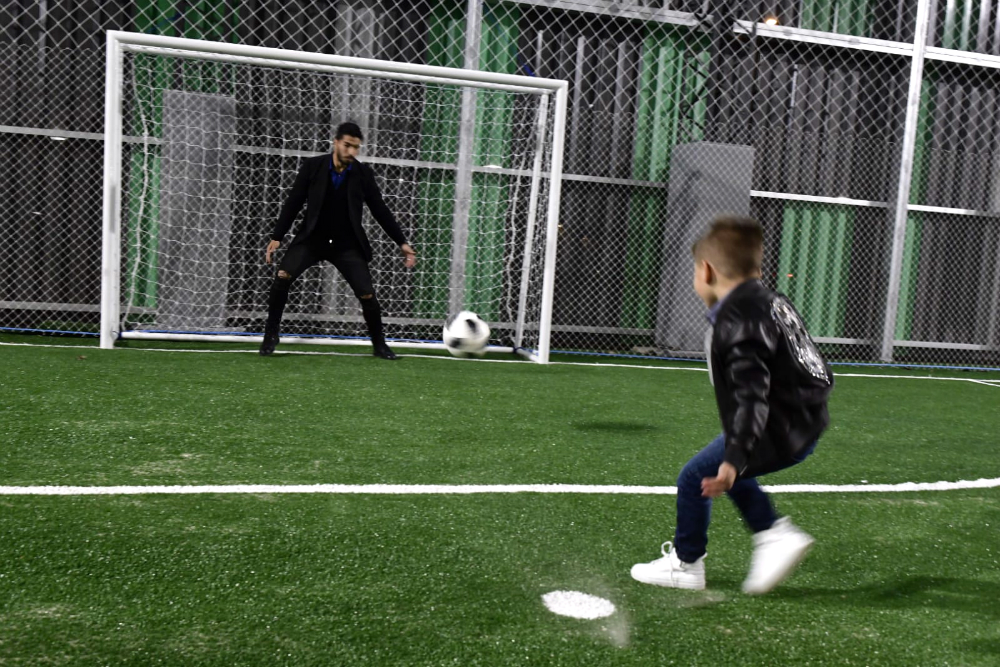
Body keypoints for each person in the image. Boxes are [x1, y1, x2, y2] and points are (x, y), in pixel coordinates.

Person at [631, 216, 834, 594]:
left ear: (706, 270)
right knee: (730, 472)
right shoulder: (773, 301)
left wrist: (736, 455)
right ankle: (770, 533)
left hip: (776, 426)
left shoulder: (735, 318)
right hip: (804, 419)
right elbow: (815, 366)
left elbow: (750, 395)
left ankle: (687, 564)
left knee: (695, 477)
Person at [261, 121, 417, 359]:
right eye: (347, 145)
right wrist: (277, 236)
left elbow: (380, 209)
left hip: (347, 244)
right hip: (312, 239)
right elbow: (294, 201)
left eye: (356, 147)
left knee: (367, 294)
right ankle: (271, 334)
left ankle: (380, 345)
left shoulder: (363, 174)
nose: (351, 152)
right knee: (283, 275)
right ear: (336, 142)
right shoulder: (313, 167)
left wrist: (402, 242)